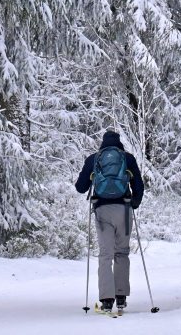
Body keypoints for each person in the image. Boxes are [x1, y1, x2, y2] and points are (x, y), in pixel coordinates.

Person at [75, 130, 144, 313]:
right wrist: (134, 202)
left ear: (102, 144)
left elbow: (80, 188)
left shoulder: (94, 159)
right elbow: (139, 185)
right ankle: (121, 296)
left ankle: (106, 299)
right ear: (119, 143)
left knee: (105, 254)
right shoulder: (127, 158)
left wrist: (92, 179)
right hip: (124, 210)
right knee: (122, 252)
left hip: (102, 211)